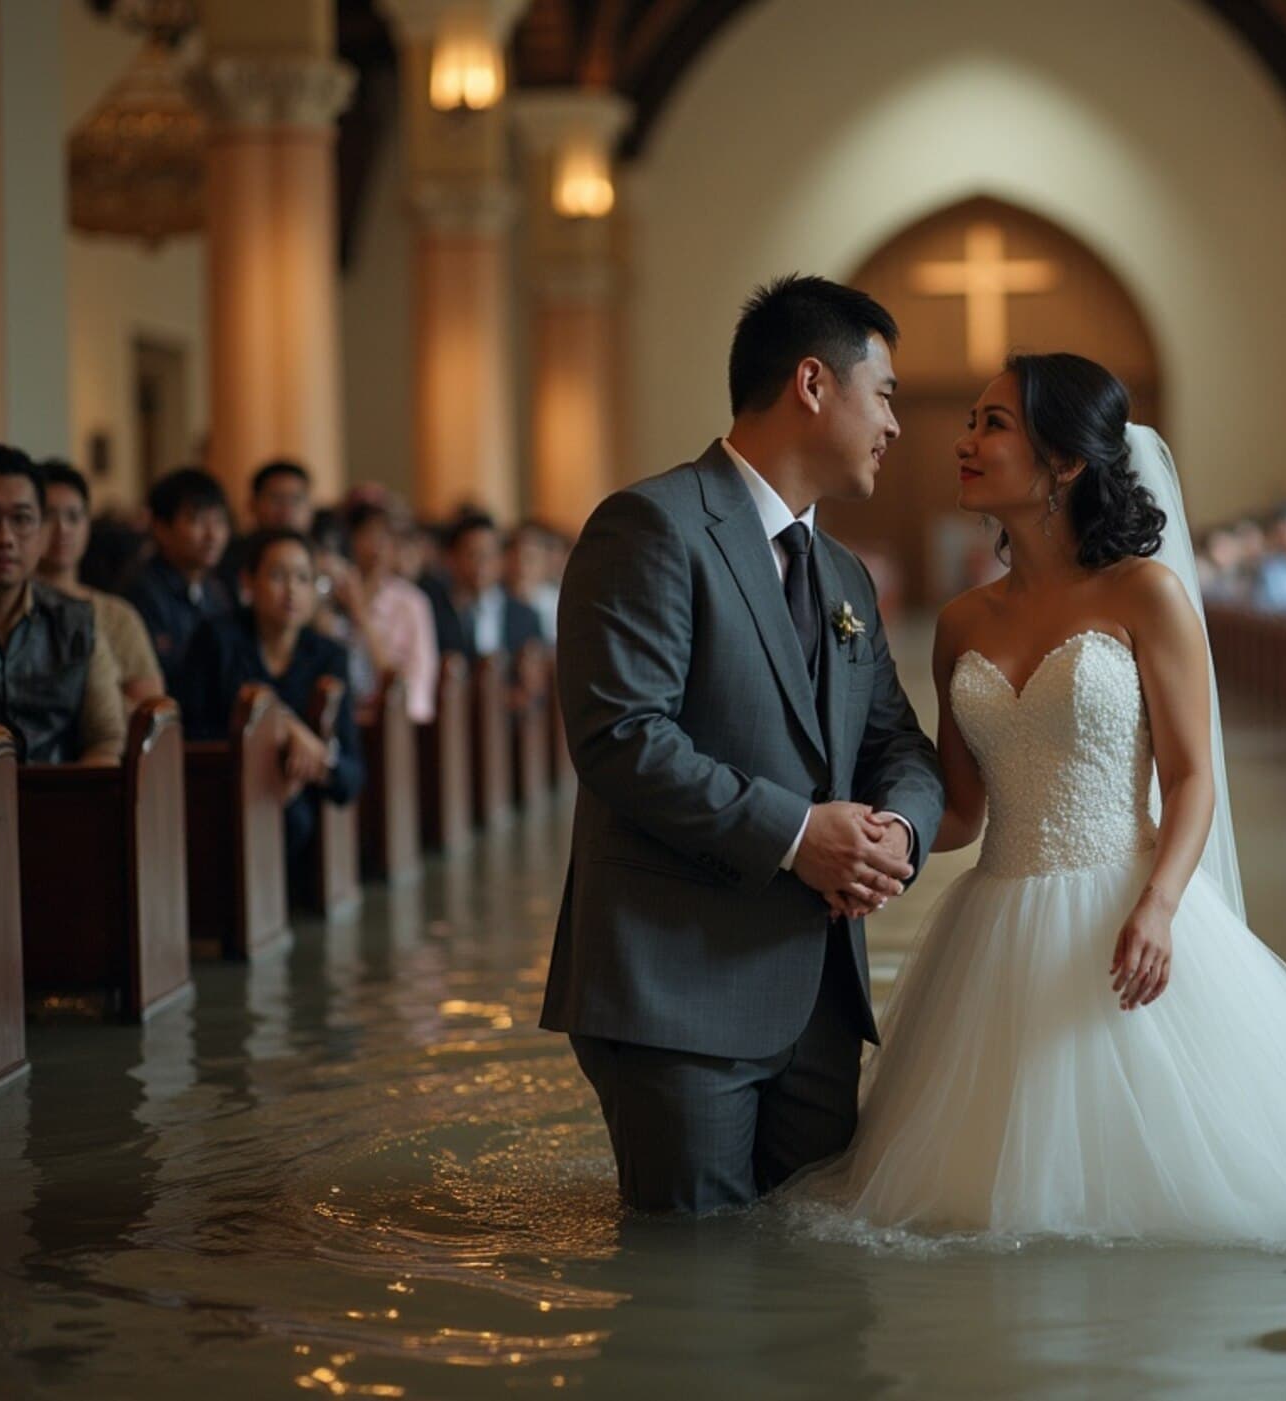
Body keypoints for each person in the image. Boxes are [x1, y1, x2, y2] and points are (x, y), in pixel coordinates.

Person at [787, 353, 1286, 1243]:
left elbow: (1191, 775)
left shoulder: (1147, 594)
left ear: (1065, 462)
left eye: (993, 425)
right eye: (971, 420)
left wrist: (1162, 905)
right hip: (995, 925)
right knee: (962, 1210)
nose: (963, 442)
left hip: (1129, 907)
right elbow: (966, 810)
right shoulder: (960, 623)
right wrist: (872, 847)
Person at [540, 274, 945, 1215]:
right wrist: (802, 834)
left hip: (820, 999)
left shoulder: (841, 568)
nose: (895, 425)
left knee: (813, 1297)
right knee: (699, 1302)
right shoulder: (653, 525)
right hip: (680, 988)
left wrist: (899, 835)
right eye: (882, 394)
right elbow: (622, 737)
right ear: (813, 383)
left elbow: (901, 744)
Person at [176, 528, 364, 886]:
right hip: (222, 791)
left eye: (303, 578)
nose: (291, 590)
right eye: (278, 576)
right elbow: (195, 734)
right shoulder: (217, 639)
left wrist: (314, 760)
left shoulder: (328, 655)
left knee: (298, 819)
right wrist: (285, 729)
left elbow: (352, 777)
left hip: (298, 804)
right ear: (249, 582)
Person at [0, 444, 125, 764]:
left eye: (22, 519)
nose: (5, 537)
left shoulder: (76, 621)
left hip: (60, 802)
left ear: (40, 532)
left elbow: (105, 736)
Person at [35, 459, 163, 708]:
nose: (63, 529)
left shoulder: (117, 615)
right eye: (48, 516)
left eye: (74, 517)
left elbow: (151, 712)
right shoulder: (13, 608)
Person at [120, 466, 233, 694]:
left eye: (219, 521)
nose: (212, 535)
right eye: (198, 521)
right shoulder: (141, 592)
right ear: (161, 528)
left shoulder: (216, 590)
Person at [336, 501, 439, 722]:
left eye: (385, 538)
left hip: (395, 721)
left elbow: (417, 684)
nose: (377, 546)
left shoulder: (411, 602)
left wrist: (360, 615)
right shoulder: (331, 596)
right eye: (368, 535)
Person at [426, 512, 543, 662]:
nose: (481, 564)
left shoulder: (525, 617)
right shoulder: (433, 613)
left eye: (488, 554)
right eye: (472, 554)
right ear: (451, 558)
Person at [216, 459, 313, 597]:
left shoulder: (320, 559)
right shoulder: (227, 561)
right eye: (276, 499)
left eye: (296, 499)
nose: (286, 510)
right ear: (252, 505)